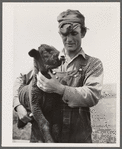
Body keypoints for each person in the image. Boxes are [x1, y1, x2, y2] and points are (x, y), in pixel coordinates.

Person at [13, 9, 103, 143]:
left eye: (74, 33)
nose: (69, 39)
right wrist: (18, 105)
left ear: (83, 33)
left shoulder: (92, 64)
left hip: (76, 139)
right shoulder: (48, 59)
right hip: (43, 139)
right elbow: (20, 80)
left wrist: (59, 89)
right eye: (64, 35)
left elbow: (92, 94)